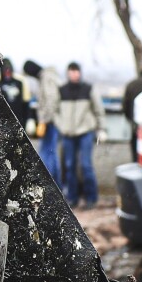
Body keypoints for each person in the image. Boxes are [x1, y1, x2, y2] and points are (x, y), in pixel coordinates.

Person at [56, 62, 106, 209]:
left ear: (80, 72)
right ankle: (73, 198)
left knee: (86, 165)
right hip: (68, 133)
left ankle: (91, 197)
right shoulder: (62, 90)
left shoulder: (88, 89)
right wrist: (62, 125)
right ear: (68, 73)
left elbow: (99, 109)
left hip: (85, 131)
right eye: (71, 71)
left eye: (76, 71)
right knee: (70, 166)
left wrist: (101, 128)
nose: (74, 74)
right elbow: (55, 111)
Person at [21, 60, 63, 187]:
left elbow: (51, 100)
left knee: (47, 153)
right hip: (52, 120)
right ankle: (57, 185)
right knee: (52, 153)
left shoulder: (46, 78)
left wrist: (44, 121)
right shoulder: (49, 76)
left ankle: (49, 184)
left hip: (51, 121)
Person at [0, 58, 31, 126]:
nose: (7, 72)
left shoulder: (19, 83)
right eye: (5, 70)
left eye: (9, 69)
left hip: (18, 120)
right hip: (2, 121)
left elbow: (25, 103)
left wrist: (25, 122)